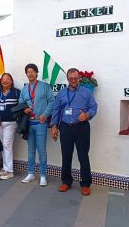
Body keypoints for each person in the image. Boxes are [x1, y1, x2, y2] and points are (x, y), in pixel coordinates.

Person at [50, 68, 98, 196]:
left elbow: (94, 107)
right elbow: (56, 110)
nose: (73, 80)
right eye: (71, 78)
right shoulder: (61, 93)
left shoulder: (86, 92)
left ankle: (86, 184)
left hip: (81, 127)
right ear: (67, 79)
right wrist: (54, 126)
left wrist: (87, 115)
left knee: (83, 156)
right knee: (66, 155)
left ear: (79, 78)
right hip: (65, 127)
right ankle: (66, 181)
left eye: (75, 78)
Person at [19, 64, 54, 186]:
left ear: (37, 73)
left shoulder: (45, 87)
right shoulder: (25, 89)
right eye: (28, 72)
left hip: (41, 123)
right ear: (26, 74)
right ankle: (30, 173)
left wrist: (45, 114)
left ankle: (43, 175)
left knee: (42, 150)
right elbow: (21, 103)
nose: (30, 74)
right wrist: (24, 109)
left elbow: (52, 102)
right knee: (30, 150)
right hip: (29, 123)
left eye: (32, 71)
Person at [0, 73, 20, 180]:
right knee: (3, 145)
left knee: (7, 145)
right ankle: (5, 167)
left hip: (10, 123)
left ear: (11, 81)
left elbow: (21, 106)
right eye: (3, 80)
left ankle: (10, 171)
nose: (5, 81)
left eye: (8, 79)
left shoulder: (16, 92)